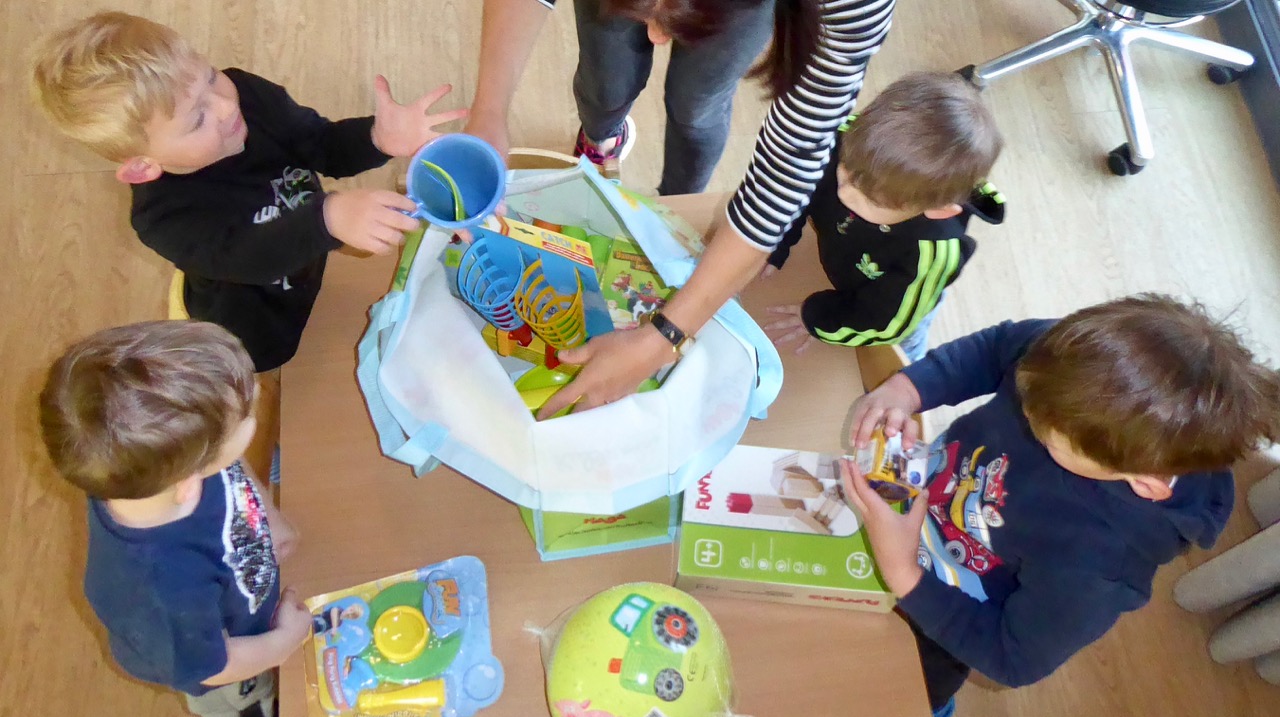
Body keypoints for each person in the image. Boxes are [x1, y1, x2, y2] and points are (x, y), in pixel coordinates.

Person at [30, 11, 466, 482]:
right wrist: (327, 219)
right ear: (142, 166)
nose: (224, 106)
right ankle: (264, 447)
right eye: (197, 118)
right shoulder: (164, 217)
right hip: (252, 320)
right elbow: (250, 257)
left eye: (209, 76)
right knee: (263, 387)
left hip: (309, 255)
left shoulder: (246, 96)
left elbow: (319, 144)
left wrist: (375, 138)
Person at [837, 294, 1280, 717]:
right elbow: (997, 349)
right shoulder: (1069, 365)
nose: (1023, 407)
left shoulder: (1101, 564)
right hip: (922, 510)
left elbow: (1011, 658)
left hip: (955, 611)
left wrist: (903, 573)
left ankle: (929, 707)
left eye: (1045, 435)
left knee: (917, 678)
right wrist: (908, 388)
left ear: (1143, 483)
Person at [464, 0, 897, 416]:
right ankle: (603, 141)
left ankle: (679, 193)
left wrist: (662, 338)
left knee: (696, 107)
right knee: (607, 82)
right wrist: (489, 112)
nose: (655, 35)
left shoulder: (852, 8)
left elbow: (786, 172)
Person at [38, 320, 312, 717]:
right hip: (225, 670)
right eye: (246, 420)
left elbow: (230, 470)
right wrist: (282, 643)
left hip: (241, 603)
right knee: (259, 708)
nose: (255, 408)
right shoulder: (161, 590)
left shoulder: (150, 472)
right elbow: (215, 666)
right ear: (189, 481)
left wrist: (268, 516)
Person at [761, 72, 1005, 362]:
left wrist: (817, 318)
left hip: (899, 308)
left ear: (938, 211)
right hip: (848, 260)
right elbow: (798, 188)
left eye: (869, 199)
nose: (843, 192)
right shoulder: (855, 144)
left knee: (902, 357)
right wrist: (777, 241)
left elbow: (885, 324)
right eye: (845, 171)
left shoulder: (932, 255)